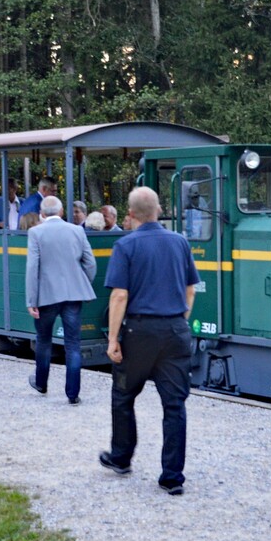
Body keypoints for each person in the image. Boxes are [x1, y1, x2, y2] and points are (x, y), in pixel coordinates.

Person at [99, 186, 199, 496]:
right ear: (157, 210)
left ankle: (121, 457)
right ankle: (172, 477)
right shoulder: (180, 242)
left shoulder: (125, 246)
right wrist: (178, 320)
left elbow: (119, 295)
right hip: (174, 331)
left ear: (129, 215)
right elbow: (191, 289)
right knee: (174, 405)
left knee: (124, 395)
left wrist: (113, 339)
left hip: (139, 333)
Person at [25, 196, 96, 403]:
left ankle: (41, 382)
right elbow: (90, 263)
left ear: (41, 212)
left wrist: (31, 300)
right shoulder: (77, 230)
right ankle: (73, 394)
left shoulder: (35, 232)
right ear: (62, 211)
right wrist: (81, 283)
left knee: (44, 340)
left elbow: (32, 268)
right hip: (73, 295)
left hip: (46, 296)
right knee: (73, 344)